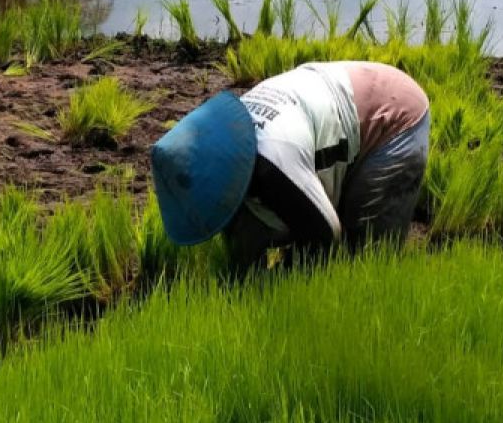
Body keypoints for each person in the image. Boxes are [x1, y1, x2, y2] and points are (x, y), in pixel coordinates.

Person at [150, 61, 430, 269]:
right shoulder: (223, 138)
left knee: (365, 255)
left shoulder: (272, 164)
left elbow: (325, 237)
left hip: (392, 114)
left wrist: (282, 277)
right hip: (331, 91)